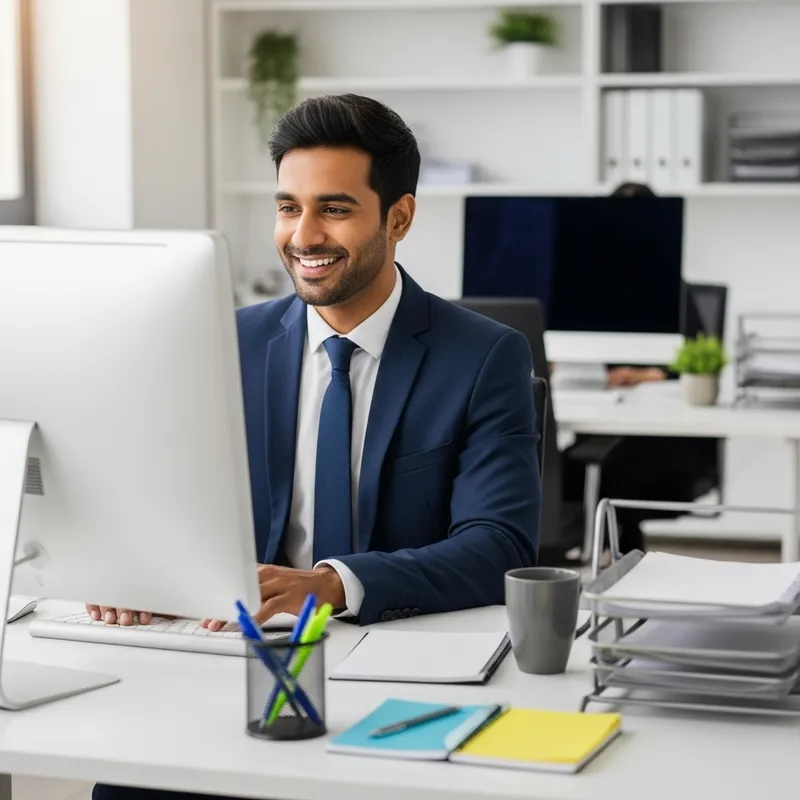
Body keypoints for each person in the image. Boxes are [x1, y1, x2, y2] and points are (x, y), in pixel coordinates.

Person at [91, 94, 540, 800]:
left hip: (390, 675)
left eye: (333, 208)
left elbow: (499, 544)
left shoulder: (484, 356)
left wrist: (331, 584)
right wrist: (134, 572)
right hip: (232, 656)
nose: (303, 235)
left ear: (399, 217)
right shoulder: (223, 340)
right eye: (287, 207)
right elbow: (156, 497)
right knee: (128, 781)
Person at [560, 181, 718, 555]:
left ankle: (619, 563)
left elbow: (697, 366)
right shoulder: (592, 290)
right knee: (553, 470)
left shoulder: (673, 291)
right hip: (604, 425)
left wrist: (642, 375)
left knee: (607, 475)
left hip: (664, 436)